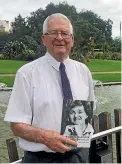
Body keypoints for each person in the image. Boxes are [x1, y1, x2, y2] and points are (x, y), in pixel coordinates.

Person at [4, 13, 95, 163]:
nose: (60, 38)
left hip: (79, 156)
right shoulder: (26, 74)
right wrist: (45, 138)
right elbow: (16, 125)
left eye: (65, 33)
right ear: (44, 39)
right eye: (53, 32)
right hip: (42, 159)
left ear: (72, 40)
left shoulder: (83, 71)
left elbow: (88, 113)